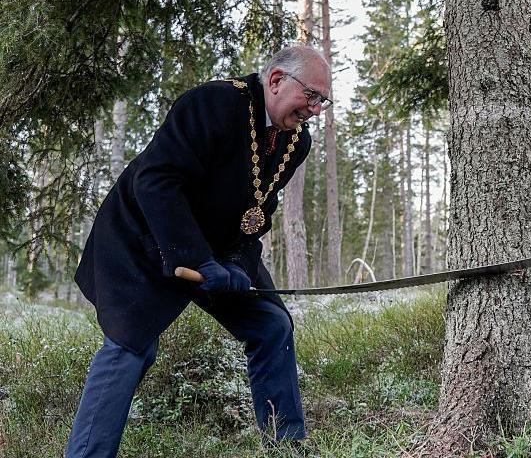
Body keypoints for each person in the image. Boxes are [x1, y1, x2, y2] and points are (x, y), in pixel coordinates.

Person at [67, 46, 332, 457]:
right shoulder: (213, 102)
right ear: (277, 79)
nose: (315, 109)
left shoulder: (295, 142)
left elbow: (258, 211)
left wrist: (237, 263)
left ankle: (286, 450)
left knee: (271, 325)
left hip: (216, 247)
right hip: (143, 236)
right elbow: (156, 180)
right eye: (311, 96)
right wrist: (196, 259)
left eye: (322, 101)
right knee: (130, 346)